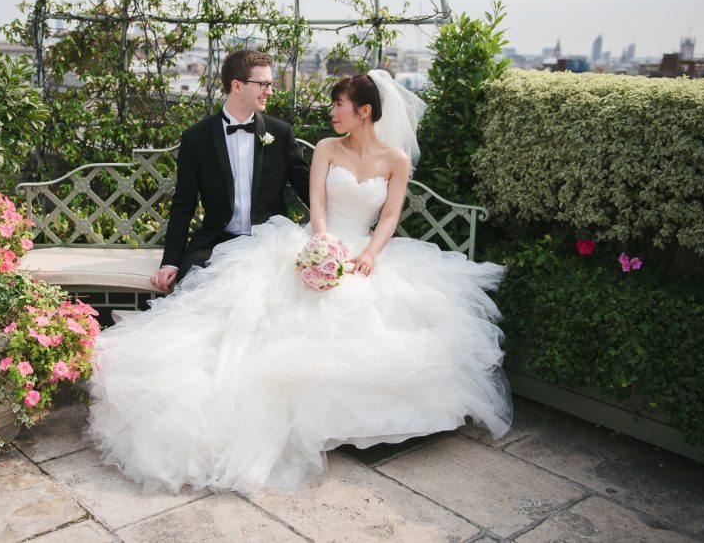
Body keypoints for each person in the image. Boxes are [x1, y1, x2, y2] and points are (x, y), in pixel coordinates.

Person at [88, 69, 512, 494]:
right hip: (316, 241)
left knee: (368, 312)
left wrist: (367, 254)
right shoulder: (326, 147)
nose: (331, 113)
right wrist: (322, 243)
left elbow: (389, 217)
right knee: (262, 313)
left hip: (364, 250)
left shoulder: (394, 160)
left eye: (338, 105)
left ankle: (352, 418)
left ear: (364, 111)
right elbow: (317, 202)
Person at [150, 49, 311, 291]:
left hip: (270, 241)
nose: (269, 91)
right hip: (216, 242)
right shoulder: (197, 138)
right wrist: (170, 261)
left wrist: (335, 235)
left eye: (270, 84)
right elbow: (183, 204)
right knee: (197, 286)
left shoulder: (280, 133)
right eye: (263, 84)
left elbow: (308, 190)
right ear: (237, 85)